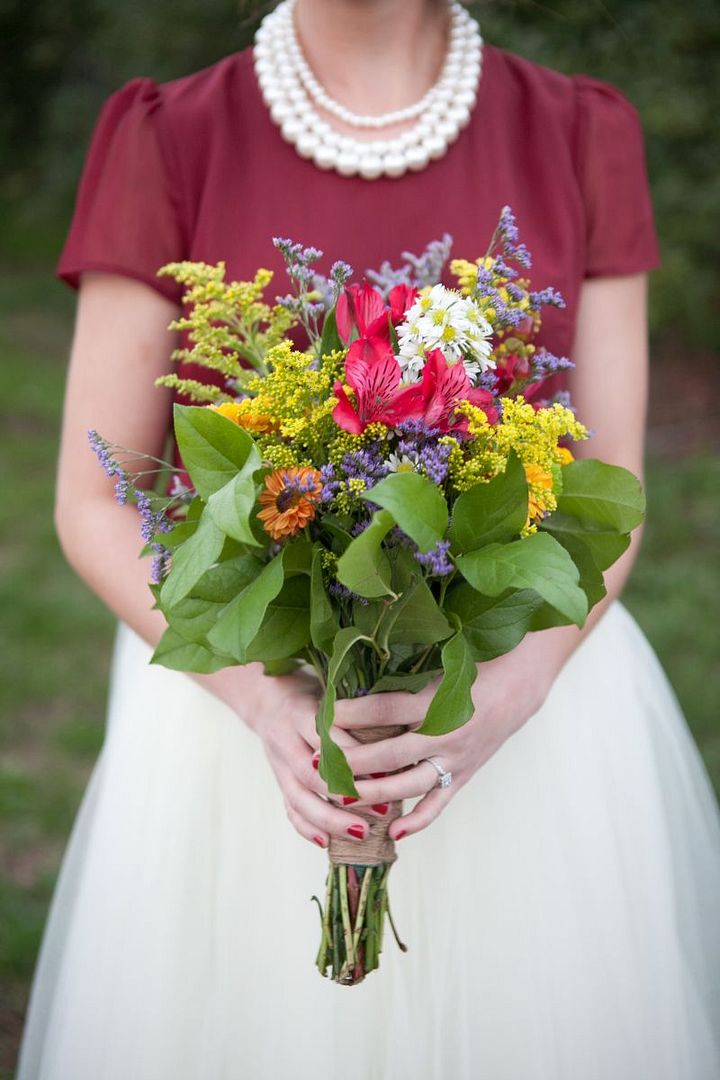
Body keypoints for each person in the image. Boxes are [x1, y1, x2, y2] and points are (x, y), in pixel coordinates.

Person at [15, 1, 720, 1077]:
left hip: (529, 713)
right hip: (241, 731)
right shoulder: (169, 133)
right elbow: (94, 497)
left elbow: (606, 491)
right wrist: (264, 700)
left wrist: (513, 693)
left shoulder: (581, 128)